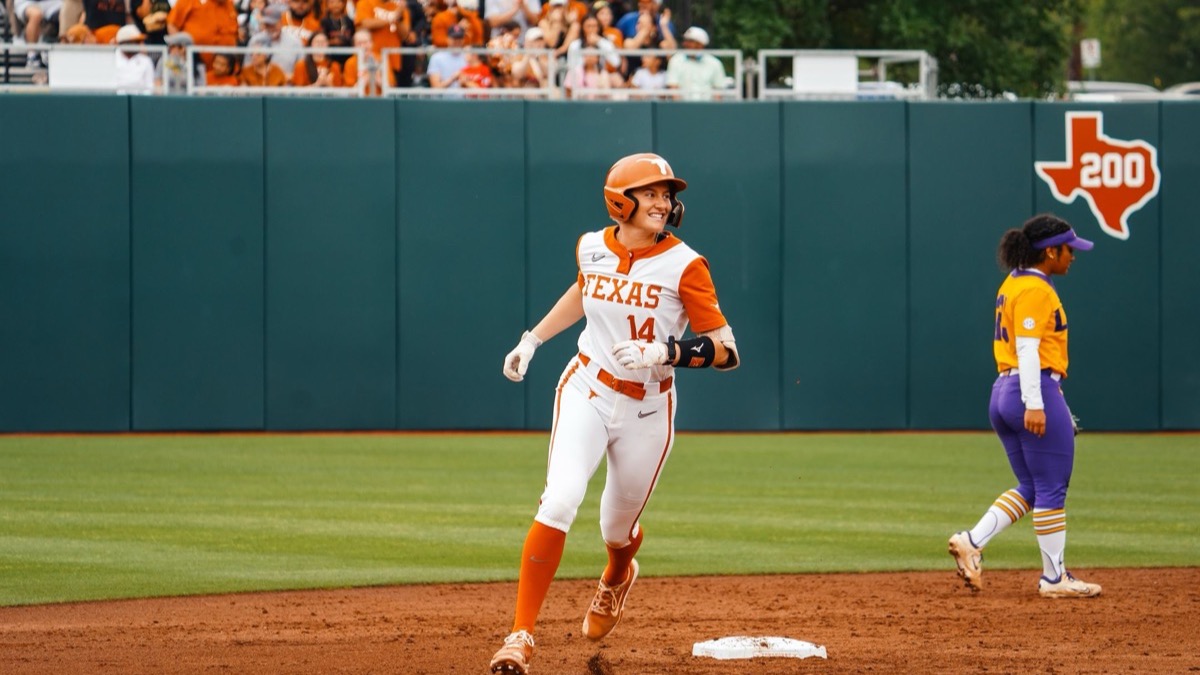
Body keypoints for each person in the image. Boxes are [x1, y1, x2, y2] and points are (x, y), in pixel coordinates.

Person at [489, 152, 740, 675]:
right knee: (558, 501)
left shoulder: (685, 263)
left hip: (648, 407)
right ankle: (520, 636)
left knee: (616, 527)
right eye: (650, 192)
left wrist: (665, 352)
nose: (663, 202)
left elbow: (726, 351)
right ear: (619, 201)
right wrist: (532, 339)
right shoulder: (590, 247)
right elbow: (586, 291)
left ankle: (617, 577)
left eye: (666, 194)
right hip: (587, 387)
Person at [948, 214, 1102, 600]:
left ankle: (972, 540)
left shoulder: (1013, 282)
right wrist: (1036, 403)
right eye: (1068, 249)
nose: (1073, 256)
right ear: (1049, 251)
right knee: (1052, 487)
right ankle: (1055, 578)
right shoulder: (1036, 289)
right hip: (1029, 390)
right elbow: (1029, 349)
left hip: (1003, 390)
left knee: (1032, 487)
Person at [665, 26, 727, 101]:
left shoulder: (715, 63)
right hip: (683, 109)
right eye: (685, 41)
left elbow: (718, 93)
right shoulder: (675, 60)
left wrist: (713, 111)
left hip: (707, 109)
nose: (685, 44)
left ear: (700, 44)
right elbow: (673, 89)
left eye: (690, 41)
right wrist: (680, 110)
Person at [113, 23, 155, 92]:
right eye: (136, 42)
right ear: (125, 43)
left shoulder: (146, 61)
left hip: (140, 101)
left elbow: (149, 88)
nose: (140, 45)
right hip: (116, 101)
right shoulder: (111, 60)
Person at [425, 23, 467, 88]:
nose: (457, 41)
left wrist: (466, 82)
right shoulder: (437, 57)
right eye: (454, 38)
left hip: (465, 97)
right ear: (448, 39)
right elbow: (436, 88)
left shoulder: (469, 57)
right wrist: (453, 78)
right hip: (444, 97)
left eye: (460, 38)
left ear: (463, 40)